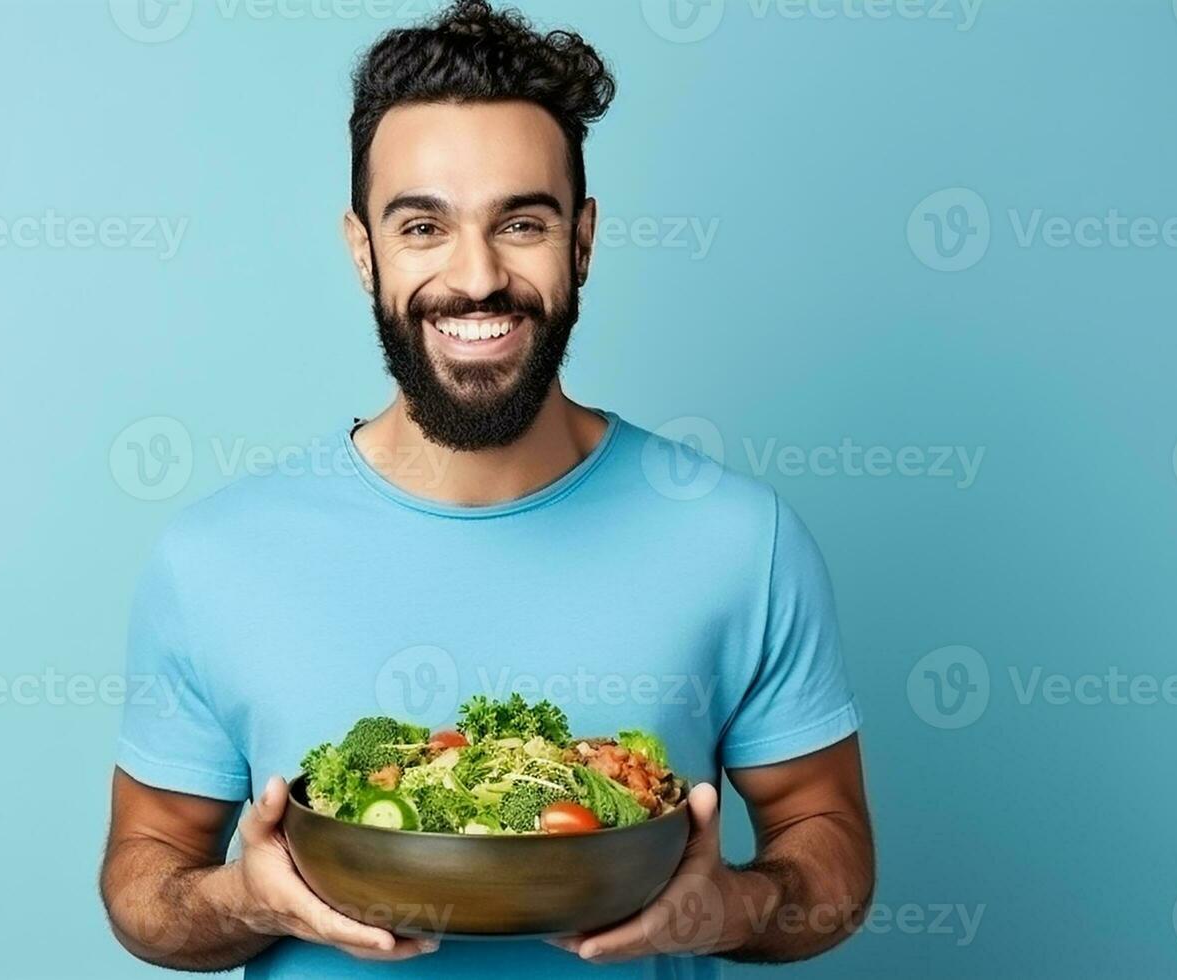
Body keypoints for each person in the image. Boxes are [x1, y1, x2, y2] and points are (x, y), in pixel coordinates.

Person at [99, 2, 874, 976]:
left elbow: (831, 848)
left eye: (521, 221)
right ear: (362, 248)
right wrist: (241, 897)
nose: (477, 276)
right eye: (423, 224)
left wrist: (733, 905)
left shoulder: (738, 539)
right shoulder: (216, 556)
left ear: (581, 242)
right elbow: (143, 888)